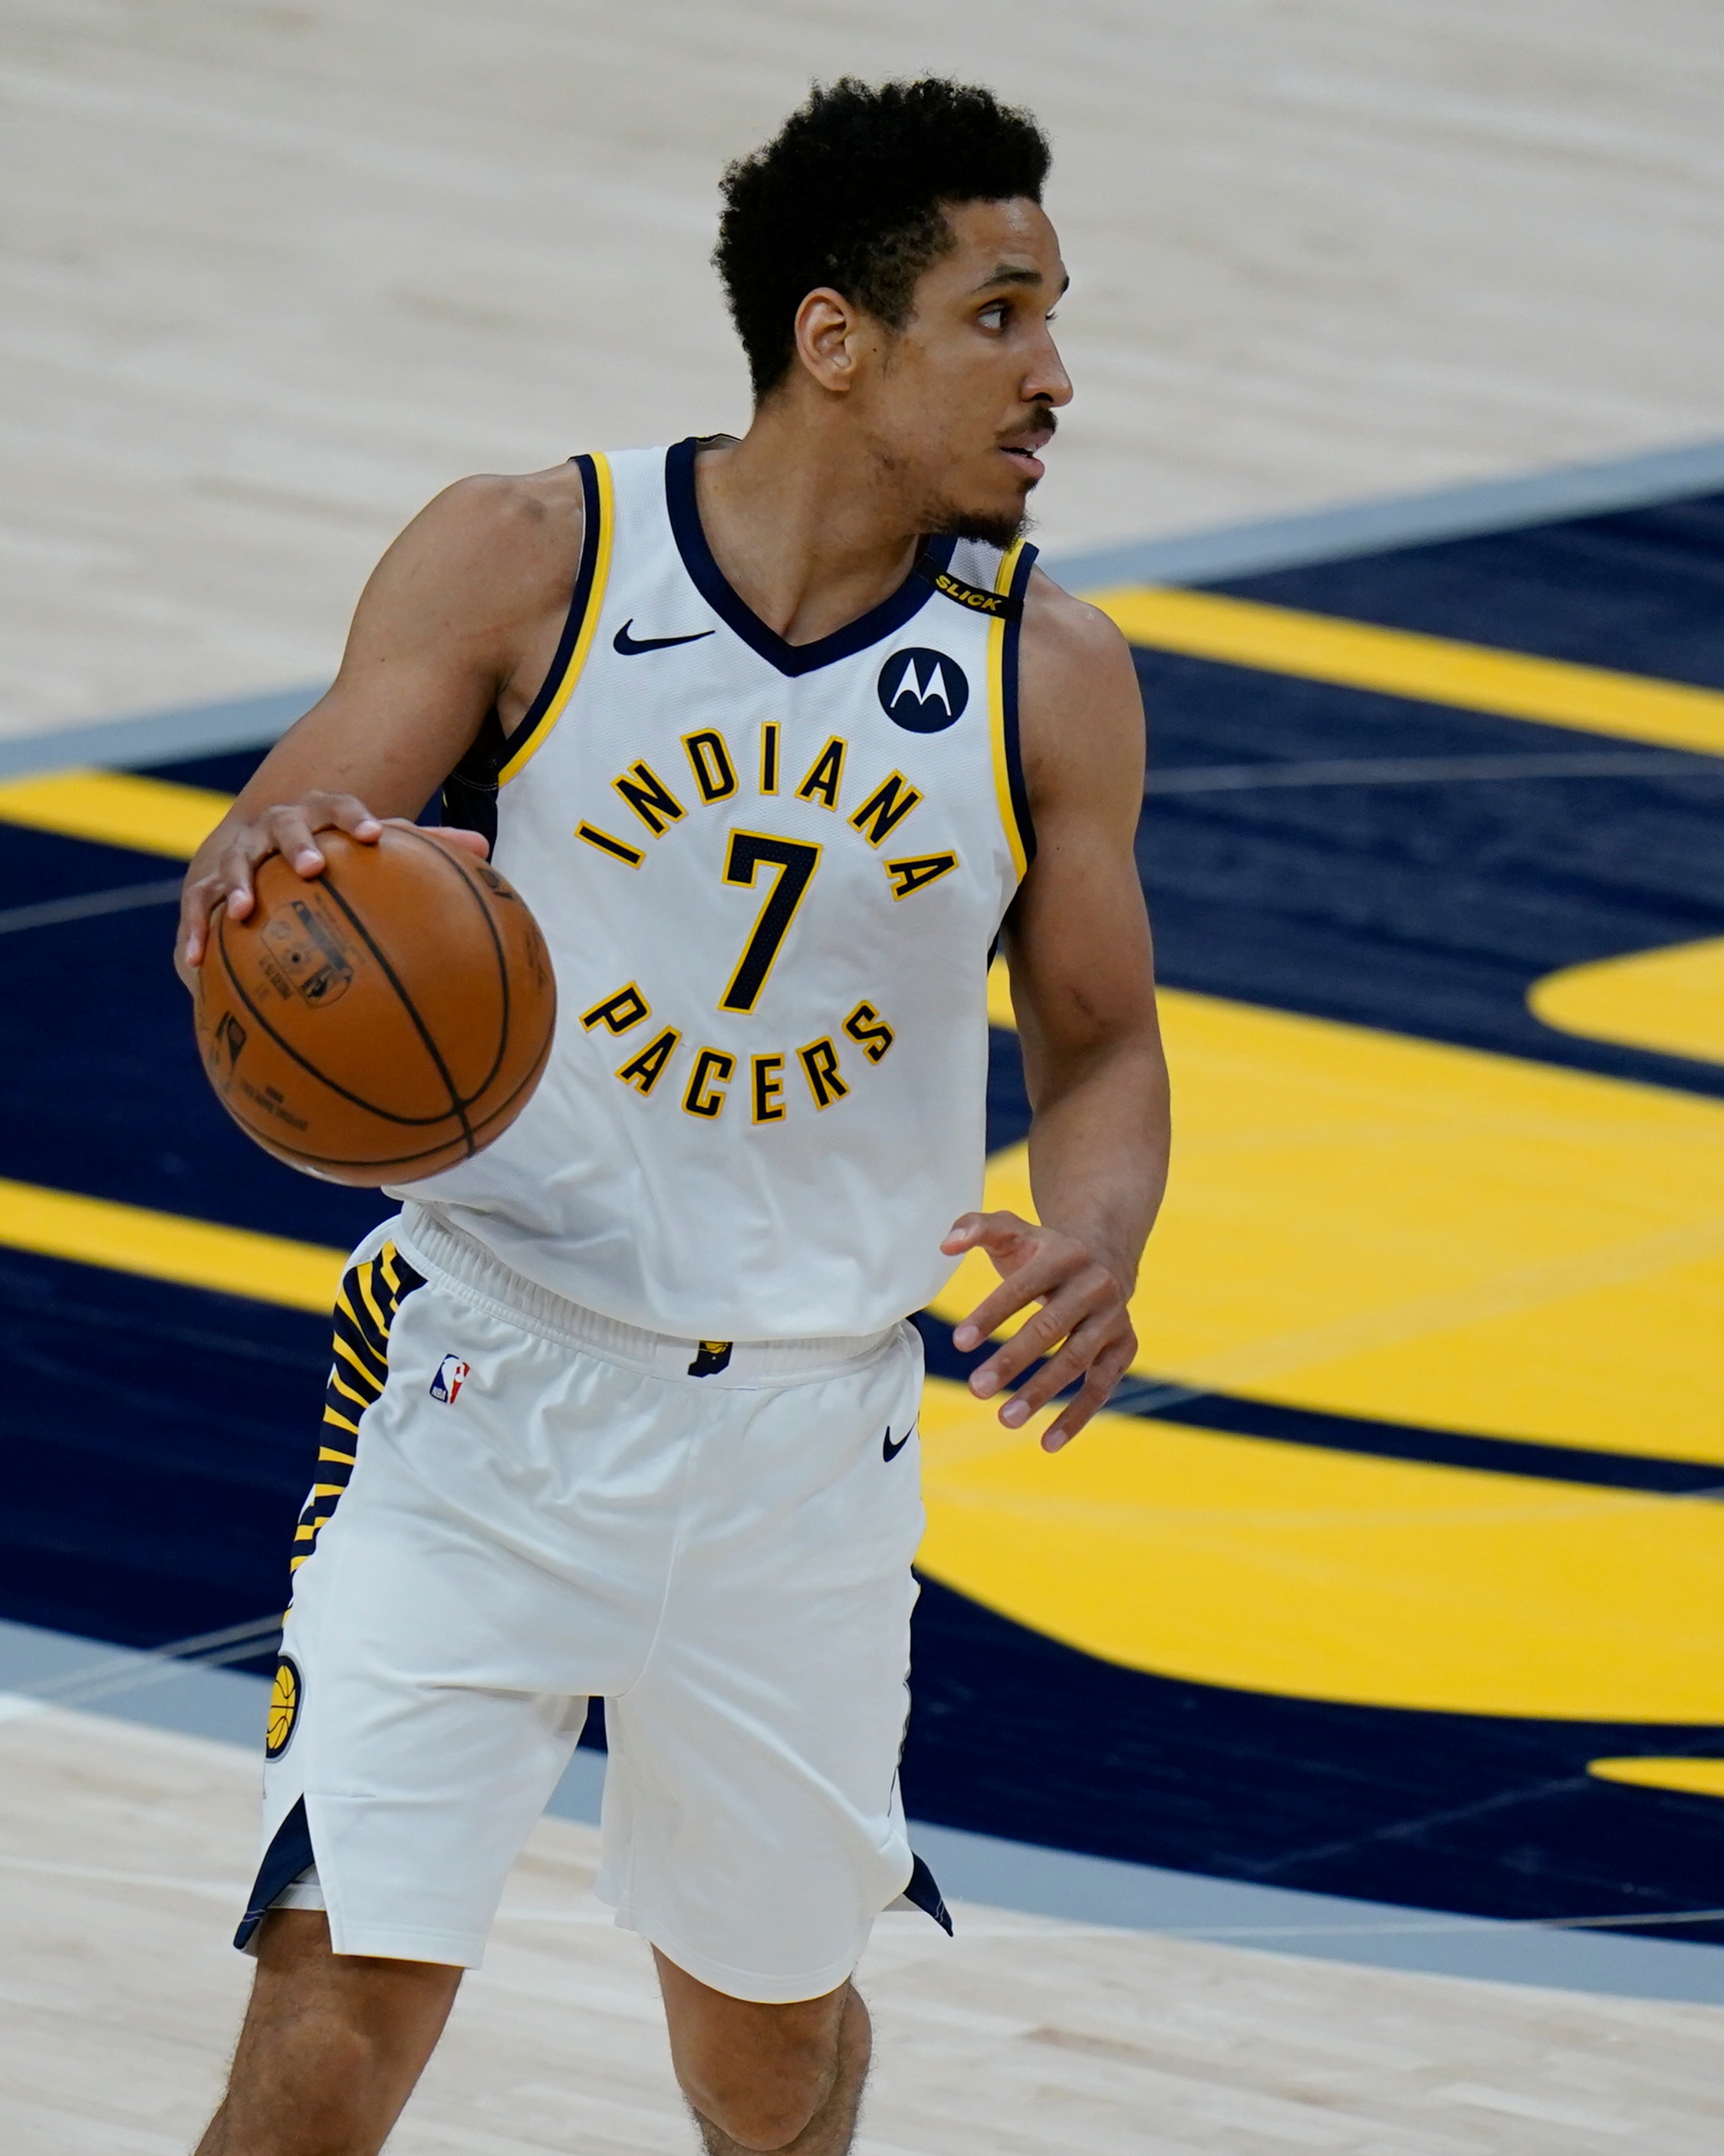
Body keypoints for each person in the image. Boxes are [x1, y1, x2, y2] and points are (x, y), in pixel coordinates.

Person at [171, 77, 1167, 2156]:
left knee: (768, 2066)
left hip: (808, 1442)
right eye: (1002, 318)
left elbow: (1095, 1038)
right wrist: (259, 873)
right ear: (836, 338)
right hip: (483, 1386)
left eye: (1055, 317)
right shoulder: (532, 553)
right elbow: (294, 826)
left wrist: (1099, 1230)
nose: (1056, 376)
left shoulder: (1046, 672)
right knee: (324, 2047)